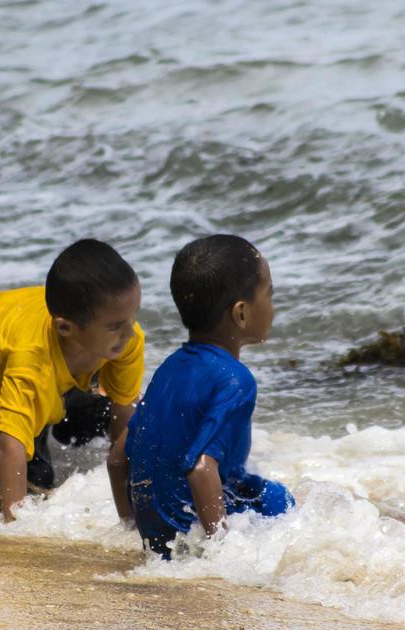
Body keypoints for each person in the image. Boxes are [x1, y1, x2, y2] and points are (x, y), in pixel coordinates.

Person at [0, 238, 144, 521]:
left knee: (98, 419)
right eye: (115, 326)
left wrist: (123, 477)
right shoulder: (31, 361)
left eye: (133, 315)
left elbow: (124, 407)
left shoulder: (126, 337)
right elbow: (10, 441)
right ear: (66, 327)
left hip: (45, 352)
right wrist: (15, 524)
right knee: (35, 488)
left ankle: (53, 415)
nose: (130, 332)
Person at [124, 234, 294, 557]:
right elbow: (201, 468)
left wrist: (132, 527)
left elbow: (119, 455)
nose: (273, 306)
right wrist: (220, 552)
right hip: (189, 534)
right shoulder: (237, 382)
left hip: (159, 536)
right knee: (283, 502)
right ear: (241, 314)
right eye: (269, 294)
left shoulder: (169, 369)